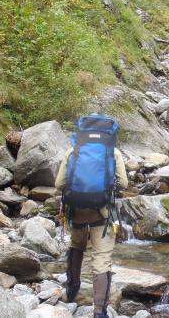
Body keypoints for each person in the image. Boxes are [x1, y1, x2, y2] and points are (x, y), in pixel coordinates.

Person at [55, 116, 128, 318]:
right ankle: (99, 311)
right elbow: (123, 184)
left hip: (76, 210)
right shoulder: (112, 152)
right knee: (102, 259)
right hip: (102, 212)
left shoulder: (74, 150)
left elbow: (59, 184)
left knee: (76, 245)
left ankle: (72, 288)